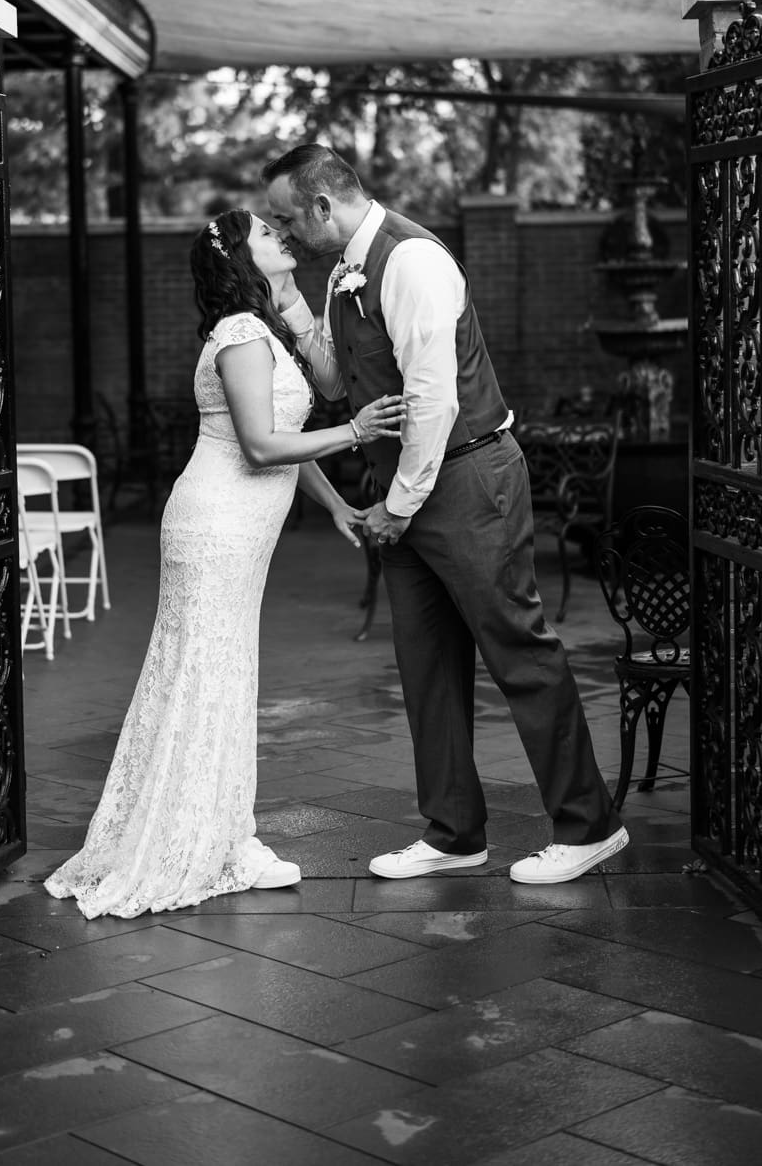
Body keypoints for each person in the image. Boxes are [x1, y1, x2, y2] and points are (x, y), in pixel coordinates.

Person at [263, 144, 628, 885]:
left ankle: (590, 826)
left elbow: (435, 400)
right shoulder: (340, 272)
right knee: (426, 664)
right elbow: (338, 385)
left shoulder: (414, 262)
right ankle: (455, 832)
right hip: (409, 487)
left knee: (518, 650)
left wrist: (396, 507)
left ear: (323, 206)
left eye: (285, 217)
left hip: (466, 479)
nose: (282, 231)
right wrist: (293, 305)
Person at [45, 208, 405, 918]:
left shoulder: (260, 327)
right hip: (215, 524)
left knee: (222, 673)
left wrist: (333, 504)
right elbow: (262, 448)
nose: (284, 238)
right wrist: (357, 431)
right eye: (269, 235)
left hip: (237, 525)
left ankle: (224, 835)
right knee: (207, 675)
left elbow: (304, 414)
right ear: (242, 257)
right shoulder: (240, 336)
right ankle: (202, 843)